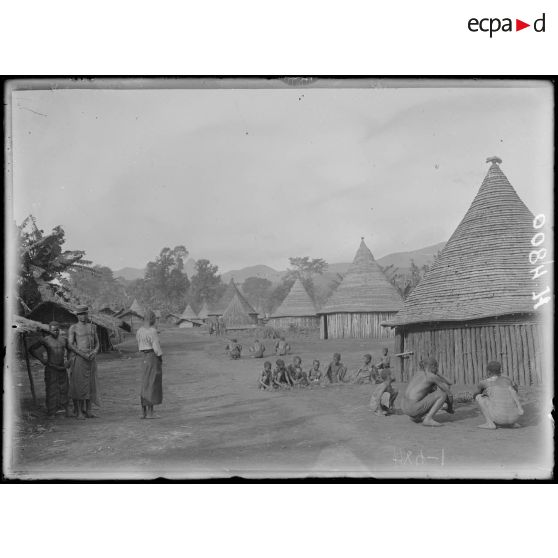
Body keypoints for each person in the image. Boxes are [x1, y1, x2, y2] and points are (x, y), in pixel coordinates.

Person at [28, 321, 74, 419]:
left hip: (62, 367)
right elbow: (32, 349)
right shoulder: (45, 340)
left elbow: (70, 350)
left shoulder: (64, 339)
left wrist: (69, 361)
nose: (56, 332)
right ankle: (51, 411)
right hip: (51, 367)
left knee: (64, 388)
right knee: (51, 389)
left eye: (57, 330)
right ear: (49, 330)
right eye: (53, 330)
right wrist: (42, 360)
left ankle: (67, 409)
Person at [68, 305, 100, 420]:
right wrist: (83, 354)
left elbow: (97, 343)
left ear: (87, 314)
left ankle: (89, 410)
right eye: (80, 314)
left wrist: (95, 352)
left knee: (91, 384)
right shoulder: (73, 328)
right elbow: (70, 344)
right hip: (80, 358)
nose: (83, 316)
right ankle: (79, 412)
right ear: (77, 315)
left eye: (84, 314)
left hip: (91, 358)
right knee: (80, 385)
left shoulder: (93, 327)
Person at [400, 357, 452, 427]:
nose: (437, 368)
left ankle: (415, 417)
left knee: (428, 390)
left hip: (403, 406)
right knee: (442, 394)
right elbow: (448, 387)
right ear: (433, 366)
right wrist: (439, 374)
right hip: (412, 408)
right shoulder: (431, 376)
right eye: (436, 366)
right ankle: (428, 419)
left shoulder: (417, 373)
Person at [473, 361, 524, 429]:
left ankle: (490, 424)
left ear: (488, 372)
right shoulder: (508, 379)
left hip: (499, 418)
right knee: (510, 394)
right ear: (500, 371)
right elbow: (516, 390)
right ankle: (512, 423)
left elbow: (476, 394)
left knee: (479, 397)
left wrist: (485, 394)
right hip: (515, 418)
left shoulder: (484, 382)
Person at [136, 309, 163, 419]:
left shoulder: (139, 331)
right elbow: (156, 347)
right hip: (152, 357)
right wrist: (160, 358)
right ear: (152, 319)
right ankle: (151, 413)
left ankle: (143, 412)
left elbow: (139, 345)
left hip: (144, 358)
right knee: (152, 383)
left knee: (144, 384)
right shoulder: (152, 331)